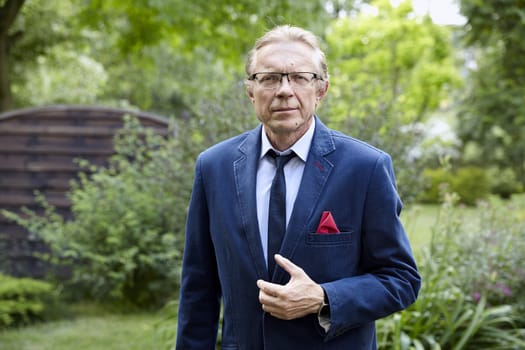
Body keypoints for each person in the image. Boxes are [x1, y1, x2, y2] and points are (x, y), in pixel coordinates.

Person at [175, 25, 420, 350]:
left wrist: (323, 297)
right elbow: (199, 286)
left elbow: (401, 278)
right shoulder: (214, 167)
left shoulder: (365, 168)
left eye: (300, 77)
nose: (284, 90)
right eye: (270, 78)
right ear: (251, 90)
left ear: (321, 90)